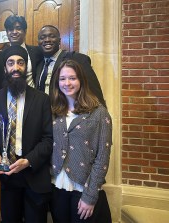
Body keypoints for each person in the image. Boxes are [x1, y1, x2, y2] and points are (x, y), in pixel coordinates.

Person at [0, 45, 53, 222]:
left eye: (20, 63)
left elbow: (48, 139)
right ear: (5, 68)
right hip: (7, 177)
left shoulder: (42, 99)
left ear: (26, 67)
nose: (15, 67)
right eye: (11, 63)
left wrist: (29, 161)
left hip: (34, 175)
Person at [49, 59, 112, 223]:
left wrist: (90, 196)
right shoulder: (54, 111)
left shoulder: (99, 113)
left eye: (72, 78)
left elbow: (102, 158)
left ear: (81, 80)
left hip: (83, 188)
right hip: (57, 186)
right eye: (62, 79)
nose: (67, 83)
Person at [36, 25, 106, 107]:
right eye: (42, 37)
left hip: (69, 114)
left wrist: (102, 115)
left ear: (59, 40)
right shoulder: (39, 65)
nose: (47, 40)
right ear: (38, 42)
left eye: (52, 36)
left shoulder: (76, 59)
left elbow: (94, 91)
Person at [0, 15, 43, 93]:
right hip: (7, 102)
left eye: (18, 28)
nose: (14, 32)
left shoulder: (37, 52)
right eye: (11, 29)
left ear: (25, 32)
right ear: (7, 33)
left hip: (32, 100)